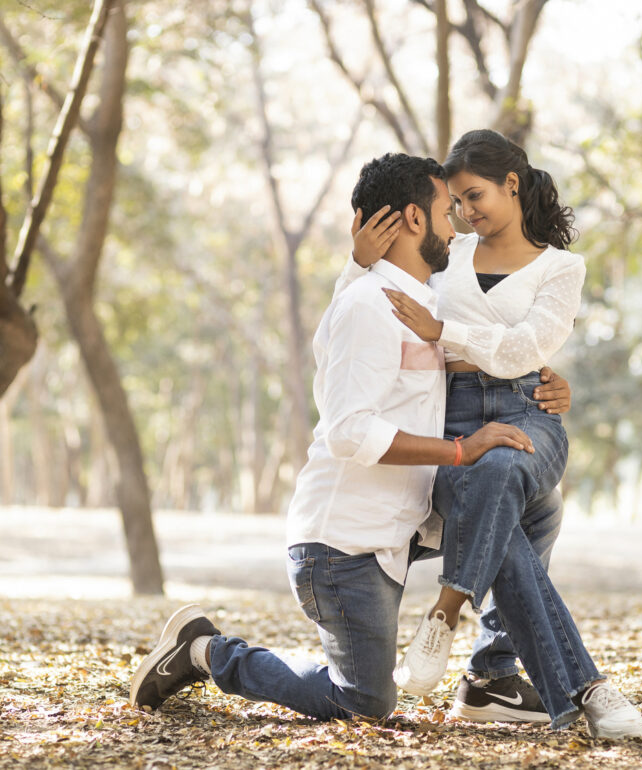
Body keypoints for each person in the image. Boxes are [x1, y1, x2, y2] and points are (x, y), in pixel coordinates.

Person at [129, 153, 542, 723]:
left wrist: (546, 379)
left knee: (525, 508)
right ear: (414, 220)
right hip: (342, 548)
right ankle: (205, 651)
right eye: (448, 211)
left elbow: (499, 342)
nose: (458, 225)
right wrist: (459, 451)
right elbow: (350, 430)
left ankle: (492, 675)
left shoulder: (422, 302)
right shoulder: (368, 305)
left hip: (401, 528)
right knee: (364, 703)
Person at [344, 129, 642, 739]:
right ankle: (585, 687)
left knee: (503, 469)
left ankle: (445, 609)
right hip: (451, 414)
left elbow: (521, 352)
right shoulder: (448, 256)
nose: (465, 211)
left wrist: (443, 332)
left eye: (476, 194)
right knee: (500, 510)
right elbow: (383, 298)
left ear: (513, 182)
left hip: (528, 409)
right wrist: (357, 263)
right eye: (454, 201)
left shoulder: (564, 267)